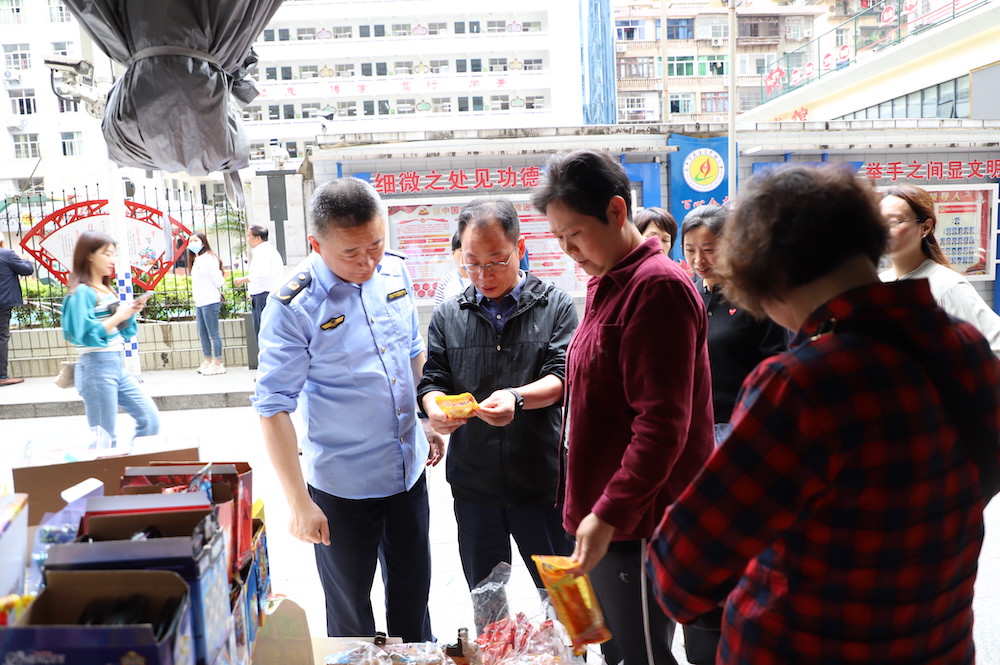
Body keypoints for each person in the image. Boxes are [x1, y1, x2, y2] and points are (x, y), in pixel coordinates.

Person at [648, 165, 1000, 664]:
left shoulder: (802, 383)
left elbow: (681, 569)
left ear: (767, 273)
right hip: (938, 639)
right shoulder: (962, 346)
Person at [531, 149, 714, 665]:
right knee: (614, 652)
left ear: (616, 211)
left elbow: (661, 426)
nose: (568, 250)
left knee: (641, 657)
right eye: (559, 238)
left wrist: (608, 512)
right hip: (601, 512)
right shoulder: (604, 281)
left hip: (634, 520)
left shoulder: (656, 288)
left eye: (576, 234)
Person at [252, 177, 444, 643]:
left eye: (376, 245)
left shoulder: (394, 272)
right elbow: (273, 407)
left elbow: (412, 351)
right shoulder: (294, 305)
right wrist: (299, 503)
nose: (367, 262)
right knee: (350, 614)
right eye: (351, 254)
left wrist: (426, 418)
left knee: (413, 601)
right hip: (342, 489)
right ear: (316, 244)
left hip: (407, 474)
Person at [418, 198, 578, 603]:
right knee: (487, 600)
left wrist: (516, 399)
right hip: (475, 485)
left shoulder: (555, 305)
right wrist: (435, 408)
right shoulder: (449, 315)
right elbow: (433, 379)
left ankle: (576, 656)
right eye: (471, 263)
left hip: (542, 480)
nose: (482, 275)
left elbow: (564, 376)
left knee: (566, 597)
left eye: (495, 261)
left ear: (520, 249)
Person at [681, 204, 787, 444]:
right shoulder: (687, 294)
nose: (699, 260)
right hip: (694, 425)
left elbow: (775, 362)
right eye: (690, 250)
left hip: (743, 426)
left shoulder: (755, 297)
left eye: (709, 250)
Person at [61, 230, 160, 447]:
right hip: (96, 367)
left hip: (116, 365)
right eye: (107, 254)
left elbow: (118, 327)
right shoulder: (82, 292)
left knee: (150, 420)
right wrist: (120, 316)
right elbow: (85, 335)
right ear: (89, 255)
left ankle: (131, 474)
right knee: (104, 440)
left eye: (113, 254)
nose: (112, 260)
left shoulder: (107, 289)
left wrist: (128, 313)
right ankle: (102, 478)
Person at [879, 183, 1000, 356]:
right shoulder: (880, 283)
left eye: (893, 222)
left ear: (925, 227)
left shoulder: (947, 287)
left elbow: (995, 345)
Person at [234, 224, 285, 339]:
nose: (247, 239)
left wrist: (243, 280)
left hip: (264, 296)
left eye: (249, 236)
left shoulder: (264, 252)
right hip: (262, 295)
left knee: (264, 334)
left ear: (258, 238)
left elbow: (262, 274)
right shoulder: (265, 251)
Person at [188, 232, 226, 375]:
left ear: (203, 243)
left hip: (210, 300)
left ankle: (217, 363)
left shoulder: (209, 258)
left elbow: (218, 280)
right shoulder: (196, 259)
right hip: (200, 301)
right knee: (202, 333)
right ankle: (207, 360)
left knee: (213, 333)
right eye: (190, 241)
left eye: (195, 240)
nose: (192, 243)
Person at [0, 235, 33, 386]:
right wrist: (24, 258)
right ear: (2, 242)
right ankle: (2, 375)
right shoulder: (7, 254)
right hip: (3, 302)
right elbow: (27, 270)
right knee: (2, 337)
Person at [431, 231, 469, 309]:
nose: (467, 255)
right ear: (453, 253)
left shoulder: (484, 278)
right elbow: (438, 315)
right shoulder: (445, 282)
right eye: (462, 251)